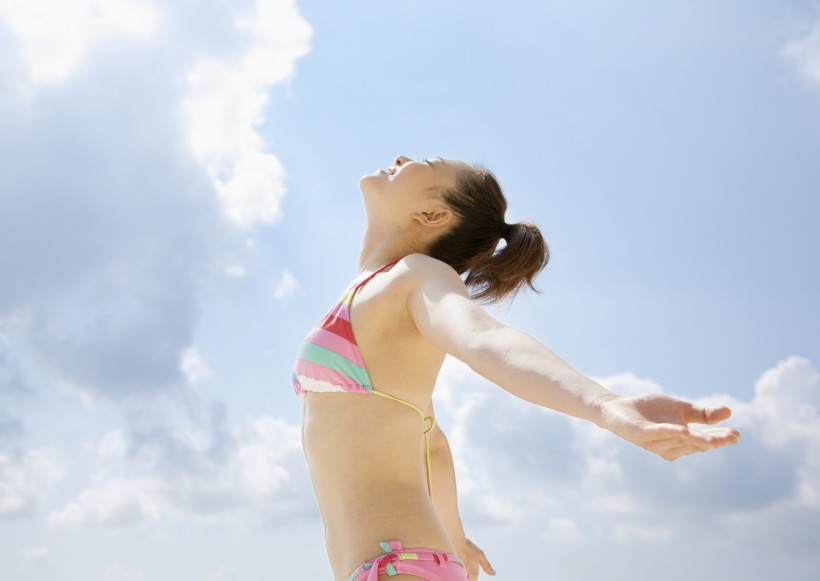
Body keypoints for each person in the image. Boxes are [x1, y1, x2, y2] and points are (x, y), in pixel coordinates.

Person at [292, 155, 740, 581]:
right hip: (396, 562)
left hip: (397, 562)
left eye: (423, 165)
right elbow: (432, 445)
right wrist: (456, 538)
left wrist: (604, 405)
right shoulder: (375, 293)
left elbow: (484, 338)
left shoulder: (419, 274)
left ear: (433, 215)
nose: (402, 157)